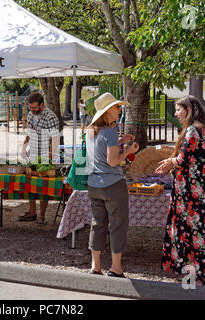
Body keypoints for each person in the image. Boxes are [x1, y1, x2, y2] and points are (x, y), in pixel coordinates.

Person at [156, 95, 205, 287]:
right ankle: (199, 278)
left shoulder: (192, 130)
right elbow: (193, 158)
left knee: (191, 235)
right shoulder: (204, 128)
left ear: (189, 109)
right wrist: (172, 161)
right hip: (198, 191)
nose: (176, 114)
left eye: (178, 110)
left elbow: (183, 160)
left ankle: (201, 278)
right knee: (198, 234)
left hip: (190, 194)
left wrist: (170, 162)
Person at [85, 92, 138, 277]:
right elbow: (113, 162)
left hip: (94, 185)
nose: (119, 109)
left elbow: (99, 153)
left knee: (97, 224)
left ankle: (95, 266)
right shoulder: (110, 132)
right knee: (117, 225)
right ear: (107, 112)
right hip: (113, 185)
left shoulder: (91, 131)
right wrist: (129, 150)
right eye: (116, 107)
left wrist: (120, 142)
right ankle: (116, 267)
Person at [19, 91, 60, 224]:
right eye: (30, 108)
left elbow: (55, 138)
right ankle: (32, 212)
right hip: (33, 154)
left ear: (42, 105)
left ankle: (42, 215)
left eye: (35, 107)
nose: (32, 110)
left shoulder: (51, 116)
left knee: (43, 186)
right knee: (30, 183)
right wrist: (23, 147)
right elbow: (29, 133)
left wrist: (49, 157)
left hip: (45, 155)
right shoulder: (31, 114)